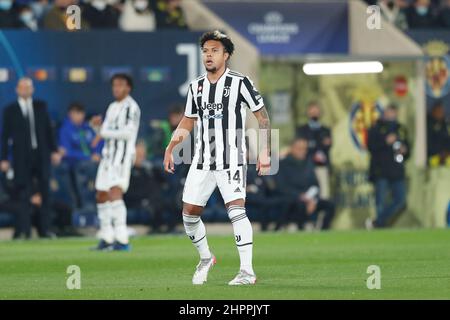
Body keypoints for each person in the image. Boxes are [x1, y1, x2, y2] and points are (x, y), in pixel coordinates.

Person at [164, 30, 272, 285]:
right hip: (201, 160)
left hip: (232, 158)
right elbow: (188, 121)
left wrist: (266, 150)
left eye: (214, 51)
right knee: (189, 215)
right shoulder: (196, 86)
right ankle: (205, 257)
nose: (209, 55)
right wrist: (170, 148)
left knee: (236, 210)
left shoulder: (240, 82)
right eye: (206, 51)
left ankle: (247, 272)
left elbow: (262, 117)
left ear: (226, 55)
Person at [0, 77, 61, 239]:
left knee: (45, 193)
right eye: (22, 87)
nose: (25, 90)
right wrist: (4, 158)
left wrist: (54, 150)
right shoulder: (10, 110)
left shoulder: (41, 107)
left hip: (41, 155)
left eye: (28, 87)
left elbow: (49, 130)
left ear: (32, 89)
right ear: (17, 90)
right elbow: (5, 136)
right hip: (21, 158)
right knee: (23, 195)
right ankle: (25, 230)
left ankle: (45, 230)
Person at [93, 74, 141, 251]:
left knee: (115, 192)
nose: (116, 88)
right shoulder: (112, 106)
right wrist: (97, 127)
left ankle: (122, 239)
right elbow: (104, 132)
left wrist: (103, 131)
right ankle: (107, 237)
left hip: (122, 156)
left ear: (128, 88)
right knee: (101, 194)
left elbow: (128, 133)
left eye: (120, 85)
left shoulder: (131, 107)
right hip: (108, 156)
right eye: (114, 85)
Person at [275, 138, 335, 231]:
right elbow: (282, 187)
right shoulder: (283, 164)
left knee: (330, 205)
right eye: (299, 148)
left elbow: (315, 185)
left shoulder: (308, 163)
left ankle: (324, 231)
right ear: (292, 148)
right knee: (299, 205)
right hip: (293, 200)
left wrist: (312, 200)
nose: (303, 151)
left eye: (305, 149)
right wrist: (300, 196)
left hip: (310, 199)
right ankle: (300, 231)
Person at [366, 104, 410, 229]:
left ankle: (378, 223)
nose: (391, 115)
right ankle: (380, 227)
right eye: (389, 112)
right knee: (380, 202)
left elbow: (408, 150)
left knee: (400, 200)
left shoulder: (401, 129)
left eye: (394, 112)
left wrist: (405, 150)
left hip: (397, 171)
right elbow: (370, 147)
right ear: (384, 113)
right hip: (381, 171)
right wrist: (385, 141)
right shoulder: (376, 128)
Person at [296, 101, 332, 200]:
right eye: (312, 111)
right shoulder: (302, 130)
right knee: (309, 195)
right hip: (306, 166)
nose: (314, 113)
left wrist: (312, 144)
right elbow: (302, 146)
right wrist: (319, 144)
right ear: (308, 113)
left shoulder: (325, 130)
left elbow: (328, 145)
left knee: (324, 195)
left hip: (321, 167)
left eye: (316, 111)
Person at [59, 102, 103, 167]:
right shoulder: (65, 130)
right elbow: (66, 152)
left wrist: (97, 153)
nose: (79, 115)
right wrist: (89, 157)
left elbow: (98, 141)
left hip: (93, 160)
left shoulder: (88, 127)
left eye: (81, 112)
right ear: (69, 114)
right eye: (75, 113)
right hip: (76, 163)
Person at [427, 102, 450, 167]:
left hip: (444, 158)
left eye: (442, 111)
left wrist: (446, 152)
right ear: (433, 111)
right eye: (438, 111)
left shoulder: (444, 124)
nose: (441, 113)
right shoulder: (428, 124)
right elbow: (430, 142)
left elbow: (447, 139)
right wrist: (439, 153)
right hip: (432, 158)